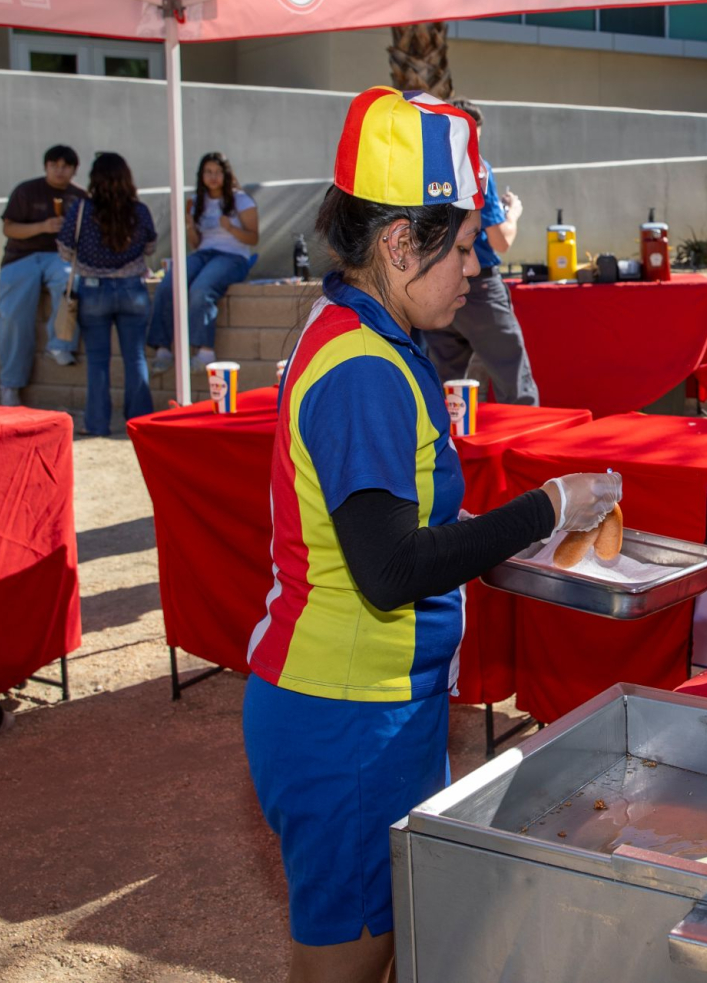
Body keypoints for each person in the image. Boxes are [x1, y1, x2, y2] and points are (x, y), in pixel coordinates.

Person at [243, 87, 619, 983]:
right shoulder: (366, 368)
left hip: (377, 707)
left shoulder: (369, 331)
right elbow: (388, 568)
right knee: (349, 962)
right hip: (346, 722)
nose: (479, 266)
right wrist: (547, 510)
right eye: (461, 247)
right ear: (398, 242)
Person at [422, 103, 539, 405]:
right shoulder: (476, 167)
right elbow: (500, 241)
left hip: (433, 282)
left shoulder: (426, 167)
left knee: (441, 382)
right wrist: (513, 213)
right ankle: (523, 446)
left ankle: (442, 445)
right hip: (479, 286)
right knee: (513, 378)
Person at [57, 152, 157, 436]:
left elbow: (65, 251)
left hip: (93, 290)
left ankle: (97, 424)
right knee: (135, 358)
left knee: (98, 362)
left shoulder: (80, 210)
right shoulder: (139, 211)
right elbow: (150, 247)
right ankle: (140, 424)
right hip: (132, 290)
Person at [149, 151, 259, 373]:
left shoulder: (241, 199)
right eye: (208, 172)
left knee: (201, 289)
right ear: (201, 175)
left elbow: (253, 238)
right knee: (169, 284)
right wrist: (190, 225)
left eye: (218, 172)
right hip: (204, 253)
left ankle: (205, 351)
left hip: (233, 256)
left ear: (226, 175)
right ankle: (163, 349)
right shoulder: (196, 201)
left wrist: (230, 228)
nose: (213, 177)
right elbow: (196, 244)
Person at [0, 145, 85, 405]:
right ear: (46, 167)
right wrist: (42, 227)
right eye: (54, 165)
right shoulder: (26, 191)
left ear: (74, 170)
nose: (59, 170)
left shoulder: (80, 197)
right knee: (13, 316)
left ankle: (61, 344)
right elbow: (9, 229)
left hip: (61, 257)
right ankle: (10, 385)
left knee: (70, 281)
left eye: (65, 166)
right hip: (21, 257)